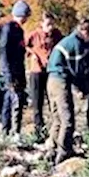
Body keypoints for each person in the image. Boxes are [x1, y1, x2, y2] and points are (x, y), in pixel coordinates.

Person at [46, 19, 89, 165]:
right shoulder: (76, 43)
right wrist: (81, 89)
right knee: (67, 119)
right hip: (60, 80)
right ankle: (64, 151)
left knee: (57, 118)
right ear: (85, 32)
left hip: (51, 79)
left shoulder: (67, 40)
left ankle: (51, 149)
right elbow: (77, 70)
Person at [25, 14, 63, 143]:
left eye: (52, 24)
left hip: (51, 72)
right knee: (37, 102)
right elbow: (24, 45)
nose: (50, 27)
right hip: (37, 71)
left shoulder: (57, 35)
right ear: (42, 24)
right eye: (48, 24)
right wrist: (32, 53)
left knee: (53, 101)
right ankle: (39, 131)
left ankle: (55, 130)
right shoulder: (34, 34)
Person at [0, 0, 30, 142]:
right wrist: (8, 73)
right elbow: (5, 52)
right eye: (26, 16)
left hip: (18, 70)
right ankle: (11, 131)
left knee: (11, 98)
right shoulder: (9, 29)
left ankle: (7, 130)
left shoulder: (19, 30)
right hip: (11, 71)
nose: (27, 19)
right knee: (14, 99)